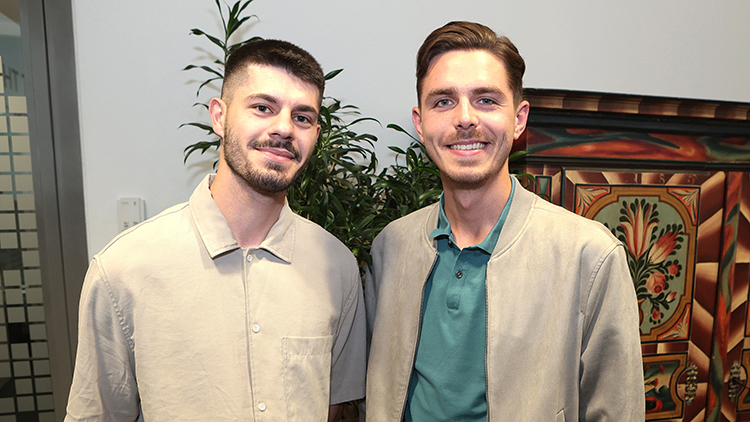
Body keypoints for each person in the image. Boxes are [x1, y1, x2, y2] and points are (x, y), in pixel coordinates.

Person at [65, 39, 366, 422]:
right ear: (219, 117)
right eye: (263, 107)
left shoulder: (336, 266)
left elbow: (332, 404)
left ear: (316, 134)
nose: (284, 128)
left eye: (302, 117)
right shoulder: (123, 270)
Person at [365, 21, 644, 421]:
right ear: (420, 122)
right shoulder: (390, 247)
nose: (464, 118)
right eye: (443, 101)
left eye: (486, 100)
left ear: (518, 118)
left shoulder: (590, 257)